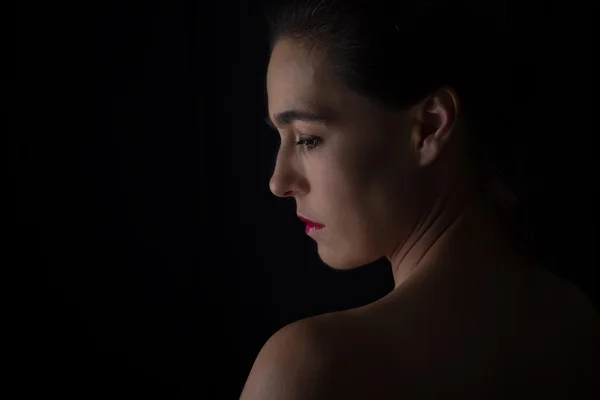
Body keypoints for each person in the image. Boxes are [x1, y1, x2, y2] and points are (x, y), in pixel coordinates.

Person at [240, 0, 600, 398]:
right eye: (280, 137)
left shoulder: (312, 369)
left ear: (430, 127)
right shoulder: (576, 318)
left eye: (308, 138)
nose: (278, 181)